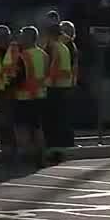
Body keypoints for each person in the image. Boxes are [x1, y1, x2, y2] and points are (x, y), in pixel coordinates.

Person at [10, 26, 50, 168]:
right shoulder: (44, 55)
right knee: (37, 128)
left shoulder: (23, 57)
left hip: (24, 97)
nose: (20, 39)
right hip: (40, 96)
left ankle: (25, 158)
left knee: (22, 128)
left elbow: (17, 79)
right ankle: (41, 157)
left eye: (22, 36)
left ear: (28, 38)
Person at [42, 24, 75, 163]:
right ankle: (62, 148)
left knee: (52, 121)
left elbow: (53, 68)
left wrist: (46, 83)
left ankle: (53, 150)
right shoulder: (64, 47)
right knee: (62, 120)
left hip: (53, 87)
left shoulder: (53, 48)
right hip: (64, 87)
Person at [0, 25, 19, 162]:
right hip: (0, 92)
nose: (2, 39)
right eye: (0, 36)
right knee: (3, 123)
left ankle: (12, 151)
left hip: (14, 91)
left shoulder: (16, 49)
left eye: (4, 36)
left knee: (11, 123)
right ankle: (7, 151)